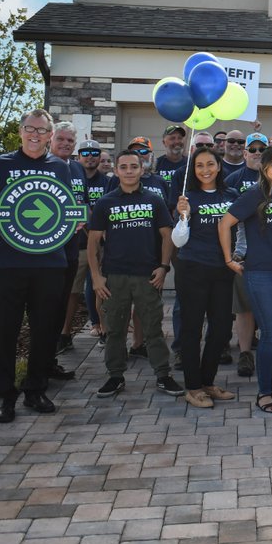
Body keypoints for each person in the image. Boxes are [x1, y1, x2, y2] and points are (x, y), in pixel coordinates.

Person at [0, 108, 73, 423]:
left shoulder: (61, 168)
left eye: (42, 130)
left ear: (50, 136)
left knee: (44, 330)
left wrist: (73, 224)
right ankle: (4, 396)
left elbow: (67, 210)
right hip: (7, 264)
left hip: (50, 264)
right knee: (5, 331)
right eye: (30, 128)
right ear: (21, 131)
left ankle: (36, 389)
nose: (35, 134)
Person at [219, 146, 272, 414]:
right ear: (263, 168)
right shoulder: (254, 196)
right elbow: (224, 224)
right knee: (270, 332)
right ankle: (264, 392)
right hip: (261, 273)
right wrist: (228, 260)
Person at [88, 149, 183, 399]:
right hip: (114, 277)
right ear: (116, 170)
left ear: (142, 170)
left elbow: (166, 236)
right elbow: (93, 241)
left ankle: (163, 374)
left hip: (147, 276)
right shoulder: (105, 202)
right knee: (115, 330)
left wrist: (163, 267)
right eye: (124, 167)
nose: (129, 171)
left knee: (153, 328)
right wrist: (96, 277)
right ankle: (115, 376)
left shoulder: (154, 200)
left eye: (134, 166)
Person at [171, 147, 239, 408]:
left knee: (221, 328)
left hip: (223, 270)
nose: (205, 169)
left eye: (210, 164)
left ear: (219, 166)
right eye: (199, 165)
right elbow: (178, 240)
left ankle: (208, 382)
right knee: (191, 329)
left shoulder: (231, 195)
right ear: (194, 170)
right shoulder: (188, 198)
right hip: (193, 270)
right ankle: (193, 386)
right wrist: (183, 215)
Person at [225, 132, 268, 378]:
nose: (257, 154)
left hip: (271, 252)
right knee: (244, 308)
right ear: (244, 153)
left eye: (262, 149)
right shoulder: (232, 179)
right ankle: (244, 354)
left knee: (270, 305)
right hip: (242, 253)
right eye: (252, 149)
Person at [47, 121, 84, 381]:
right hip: (47, 251)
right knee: (44, 310)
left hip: (71, 249)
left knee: (59, 306)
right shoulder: (42, 166)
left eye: (70, 141)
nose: (65, 144)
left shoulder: (77, 169)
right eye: (61, 139)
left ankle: (49, 362)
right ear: (51, 139)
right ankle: (40, 366)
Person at [65, 139, 107, 351]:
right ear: (78, 156)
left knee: (100, 287)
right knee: (73, 291)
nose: (90, 156)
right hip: (78, 244)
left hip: (101, 244)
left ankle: (102, 327)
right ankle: (64, 334)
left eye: (94, 152)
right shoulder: (69, 177)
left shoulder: (107, 181)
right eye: (85, 152)